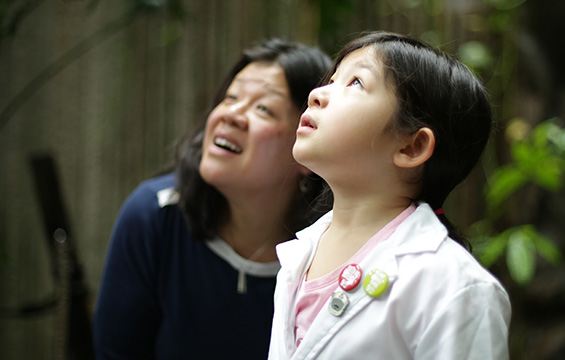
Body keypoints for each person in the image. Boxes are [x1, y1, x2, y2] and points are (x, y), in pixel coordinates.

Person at [268, 32, 511, 359]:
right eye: (331, 78)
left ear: (411, 146)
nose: (317, 94)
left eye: (355, 83)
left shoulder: (454, 288)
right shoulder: (298, 259)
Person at [93, 39, 332, 359]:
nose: (231, 114)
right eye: (231, 97)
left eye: (263, 108)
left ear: (308, 146)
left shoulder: (330, 253)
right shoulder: (155, 214)